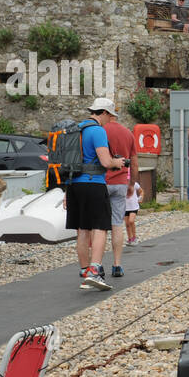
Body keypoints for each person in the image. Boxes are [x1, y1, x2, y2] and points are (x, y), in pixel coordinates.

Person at [67, 97, 128, 291]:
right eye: (110, 116)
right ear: (103, 113)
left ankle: (85, 270)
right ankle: (95, 271)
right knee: (100, 227)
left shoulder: (75, 130)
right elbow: (105, 161)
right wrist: (117, 163)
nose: (111, 120)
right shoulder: (97, 131)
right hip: (94, 184)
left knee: (82, 229)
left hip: (74, 185)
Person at [100, 99, 138, 279]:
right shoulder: (127, 133)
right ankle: (117, 265)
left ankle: (97, 265)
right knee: (117, 224)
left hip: (101, 181)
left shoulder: (100, 130)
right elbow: (135, 161)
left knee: (98, 226)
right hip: (121, 183)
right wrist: (133, 184)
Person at [124, 179, 141, 246]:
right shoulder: (122, 185)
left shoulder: (135, 184)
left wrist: (140, 198)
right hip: (125, 207)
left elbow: (141, 191)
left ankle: (134, 237)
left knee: (131, 221)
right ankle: (130, 239)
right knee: (127, 224)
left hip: (134, 206)